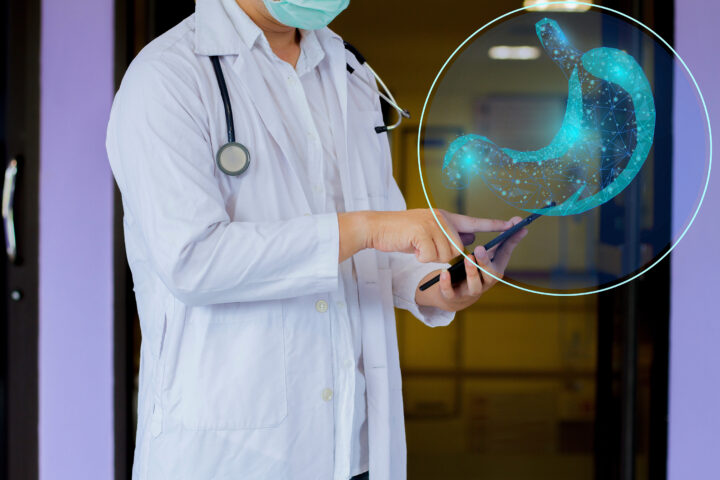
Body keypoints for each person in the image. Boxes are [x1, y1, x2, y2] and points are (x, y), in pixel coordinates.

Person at [105, 0, 527, 479]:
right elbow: (193, 261)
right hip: (232, 454)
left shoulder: (347, 71)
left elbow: (378, 239)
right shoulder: (166, 77)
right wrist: (369, 227)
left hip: (354, 447)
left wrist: (431, 283)